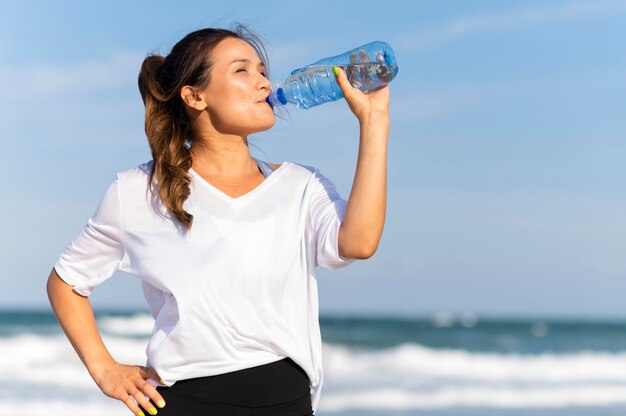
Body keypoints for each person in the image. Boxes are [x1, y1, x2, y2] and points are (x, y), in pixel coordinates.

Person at [46, 24, 390, 416]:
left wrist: (374, 122)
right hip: (183, 403)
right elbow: (67, 282)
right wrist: (104, 369)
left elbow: (359, 243)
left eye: (262, 70)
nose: (263, 82)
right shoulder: (138, 190)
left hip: (287, 404)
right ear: (195, 96)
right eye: (242, 70)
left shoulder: (300, 185)